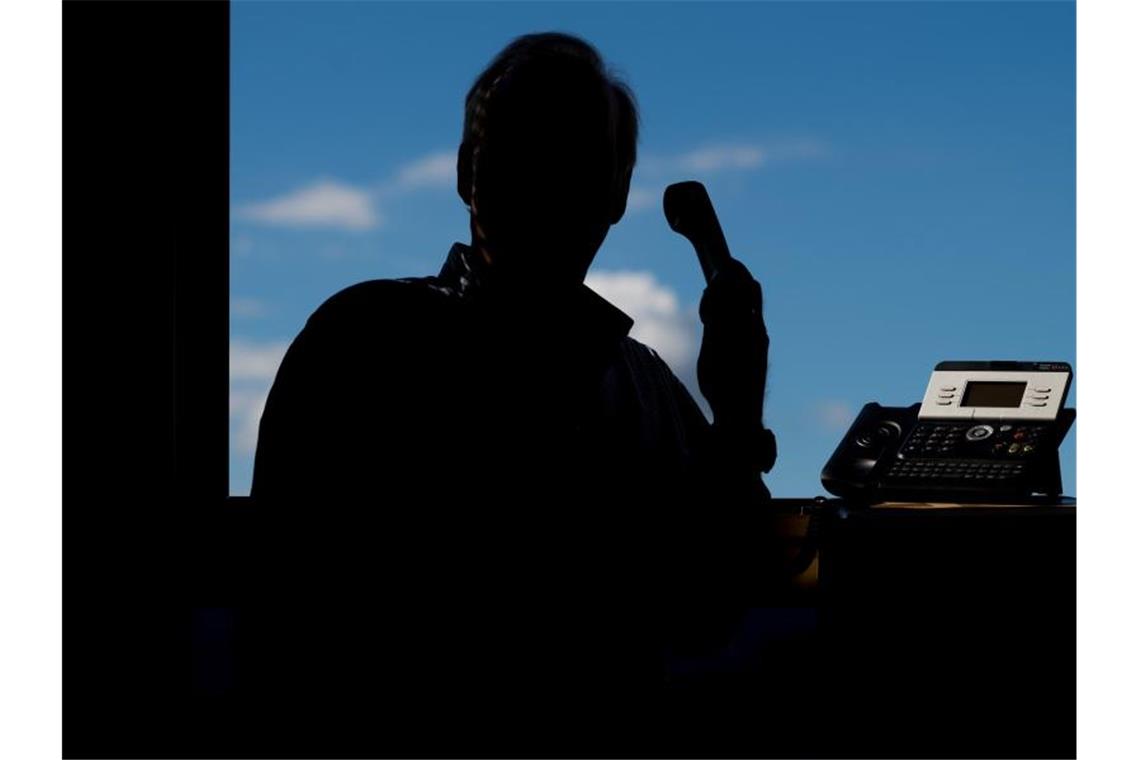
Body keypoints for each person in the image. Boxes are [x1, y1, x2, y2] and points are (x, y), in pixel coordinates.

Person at [248, 31, 781, 754]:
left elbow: (716, 601)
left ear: (618, 194)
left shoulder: (645, 383)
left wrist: (737, 410)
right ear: (471, 174)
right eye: (529, 147)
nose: (552, 177)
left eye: (579, 156)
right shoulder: (366, 341)